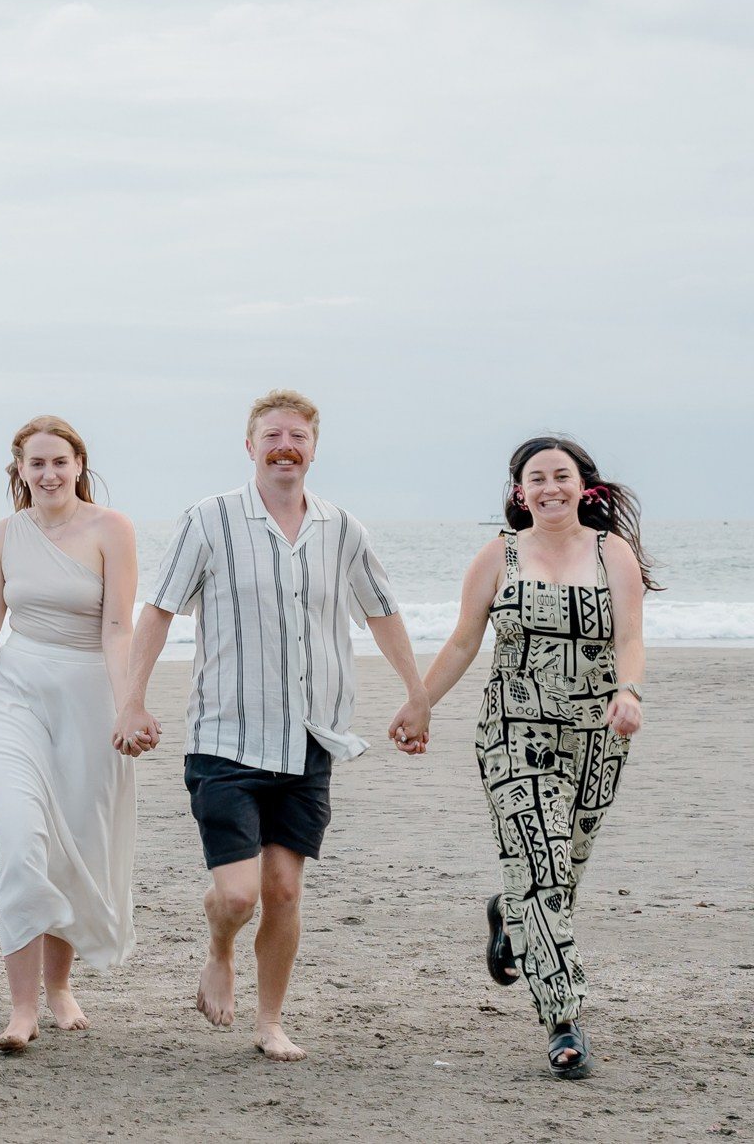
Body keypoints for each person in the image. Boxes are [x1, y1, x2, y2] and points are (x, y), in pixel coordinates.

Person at [117, 389, 427, 1062]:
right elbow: (158, 609)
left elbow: (381, 611)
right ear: (250, 444)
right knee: (239, 892)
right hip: (225, 738)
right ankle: (219, 946)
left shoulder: (342, 528)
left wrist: (417, 692)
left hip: (312, 737)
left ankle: (270, 1021)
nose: (285, 446)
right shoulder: (210, 519)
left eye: (297, 436)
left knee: (284, 888)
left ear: (314, 447)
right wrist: (132, 699)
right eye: (272, 435)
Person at [388, 437, 654, 1079]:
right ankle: (563, 1020)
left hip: (597, 734)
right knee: (542, 866)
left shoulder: (613, 554)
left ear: (583, 485)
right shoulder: (496, 557)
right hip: (514, 733)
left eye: (561, 476)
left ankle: (508, 915)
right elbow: (461, 642)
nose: (550, 487)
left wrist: (628, 692)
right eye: (536, 478)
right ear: (519, 491)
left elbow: (631, 639)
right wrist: (419, 701)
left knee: (563, 870)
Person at [0, 416, 139, 1050]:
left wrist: (129, 707)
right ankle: (20, 1009)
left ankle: (59, 988)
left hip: (88, 698)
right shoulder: (2, 536)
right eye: (35, 463)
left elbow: (118, 630)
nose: (48, 473)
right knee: (21, 842)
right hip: (17, 695)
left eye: (59, 461)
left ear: (79, 464)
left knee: (74, 847)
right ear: (19, 470)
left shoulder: (111, 530)